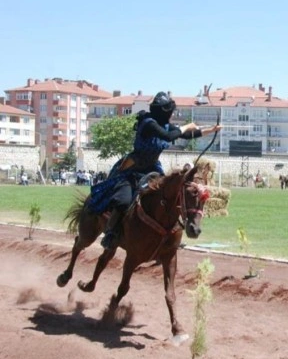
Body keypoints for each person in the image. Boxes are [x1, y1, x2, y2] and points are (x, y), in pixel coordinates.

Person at [89, 91, 222, 249]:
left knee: (168, 195)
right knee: (124, 200)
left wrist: (212, 130)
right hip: (133, 168)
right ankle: (111, 233)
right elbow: (167, 136)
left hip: (152, 167)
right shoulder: (149, 123)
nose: (172, 114)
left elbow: (186, 135)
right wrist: (186, 125)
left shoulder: (164, 124)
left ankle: (171, 232)